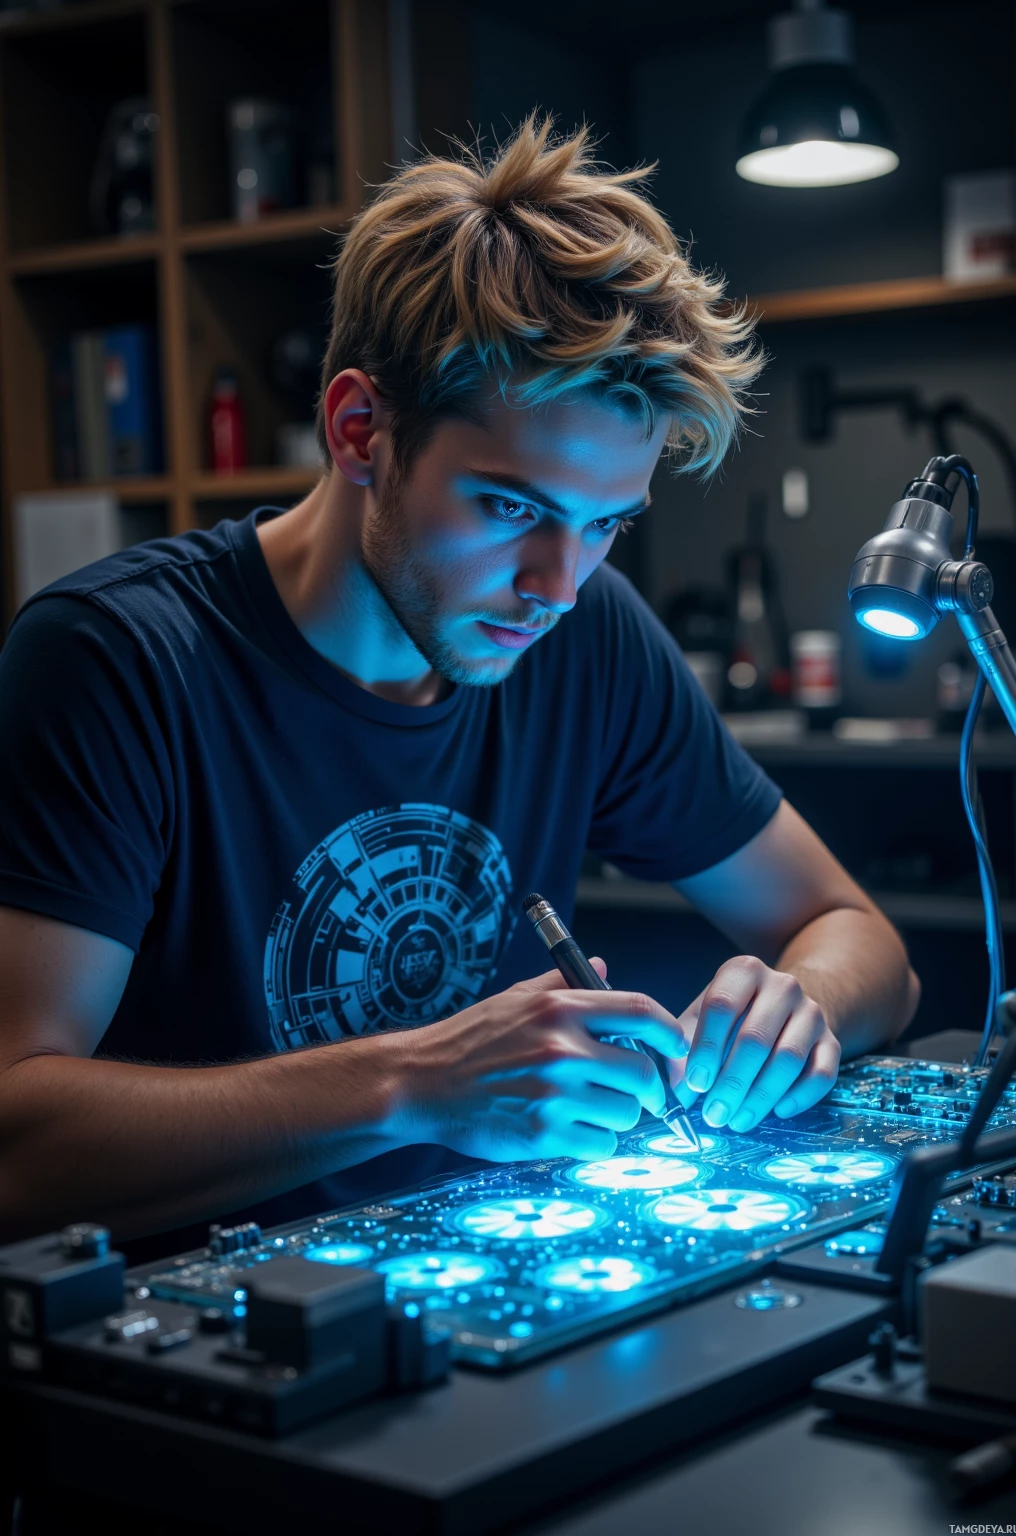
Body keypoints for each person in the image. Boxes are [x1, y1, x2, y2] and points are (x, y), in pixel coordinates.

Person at [0, 118, 918, 1250]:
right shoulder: (115, 660)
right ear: (359, 431)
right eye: (512, 507)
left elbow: (857, 938)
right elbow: (16, 1142)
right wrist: (413, 1083)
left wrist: (796, 1006)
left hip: (488, 1275)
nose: (557, 586)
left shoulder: (586, 636)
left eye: (607, 525)